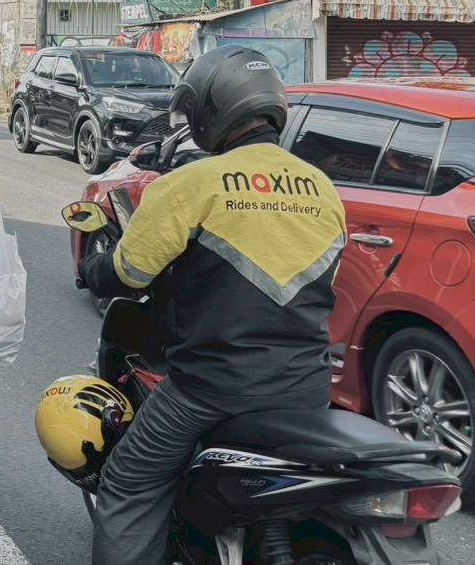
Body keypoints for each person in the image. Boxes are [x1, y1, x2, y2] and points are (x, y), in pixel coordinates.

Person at [78, 46, 346, 565]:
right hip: (306, 389)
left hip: (212, 387)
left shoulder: (189, 185)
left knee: (128, 481)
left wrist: (94, 269)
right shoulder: (323, 189)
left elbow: (130, 272)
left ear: (207, 111)